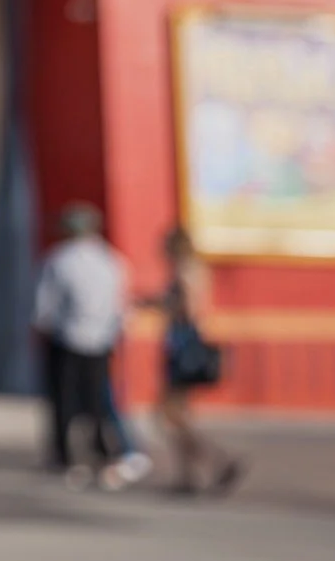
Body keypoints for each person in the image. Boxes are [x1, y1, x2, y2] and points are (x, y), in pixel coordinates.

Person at [32, 203, 134, 489]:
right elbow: (121, 305)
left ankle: (66, 458)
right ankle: (103, 453)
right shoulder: (112, 261)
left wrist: (42, 328)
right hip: (101, 340)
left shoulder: (59, 260)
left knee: (63, 400)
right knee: (96, 400)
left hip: (67, 339)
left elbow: (44, 308)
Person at [146, 226, 244, 497]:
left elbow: (187, 308)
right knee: (176, 414)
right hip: (188, 338)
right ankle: (189, 474)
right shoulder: (198, 269)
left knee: (168, 414)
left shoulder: (184, 271)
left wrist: (159, 304)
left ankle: (215, 460)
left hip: (183, 341)